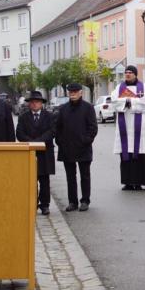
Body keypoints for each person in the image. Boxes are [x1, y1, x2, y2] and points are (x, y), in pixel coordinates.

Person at [112, 65, 145, 191]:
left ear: (135, 74)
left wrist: (128, 100)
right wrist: (130, 100)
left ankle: (139, 182)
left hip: (141, 127)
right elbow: (114, 102)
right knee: (126, 153)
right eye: (126, 72)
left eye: (130, 72)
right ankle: (128, 182)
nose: (127, 74)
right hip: (125, 125)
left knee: (141, 153)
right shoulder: (118, 87)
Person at [55, 83, 98, 211]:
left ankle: (85, 200)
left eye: (75, 92)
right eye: (70, 92)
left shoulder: (88, 108)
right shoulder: (63, 109)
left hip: (83, 147)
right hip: (67, 148)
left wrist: (86, 141)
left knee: (85, 176)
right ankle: (72, 202)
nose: (72, 94)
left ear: (80, 93)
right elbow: (58, 128)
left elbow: (93, 128)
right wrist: (60, 142)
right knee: (70, 177)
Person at [16, 91, 56, 216]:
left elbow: (51, 131)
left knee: (44, 180)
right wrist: (31, 143)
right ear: (29, 104)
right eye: (32, 102)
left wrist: (38, 142)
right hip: (29, 152)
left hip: (45, 152)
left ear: (41, 103)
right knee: (31, 180)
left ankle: (45, 205)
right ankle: (33, 203)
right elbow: (19, 133)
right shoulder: (23, 117)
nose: (34, 104)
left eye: (37, 102)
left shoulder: (49, 116)